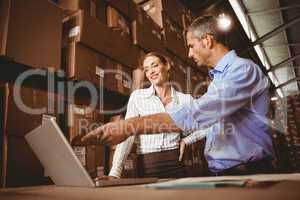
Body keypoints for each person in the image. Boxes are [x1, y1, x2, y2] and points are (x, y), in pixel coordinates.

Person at [82, 15, 274, 175]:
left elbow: (199, 114)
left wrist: (130, 126)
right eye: (146, 69)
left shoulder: (242, 70)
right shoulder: (218, 79)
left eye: (191, 45)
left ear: (207, 41)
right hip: (224, 170)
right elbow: (212, 122)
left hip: (246, 171)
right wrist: (115, 172)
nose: (189, 54)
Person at [107, 52, 206, 179]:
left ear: (167, 65)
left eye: (154, 66)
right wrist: (115, 172)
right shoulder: (138, 97)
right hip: (147, 166)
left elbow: (206, 124)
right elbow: (127, 134)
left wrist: (187, 140)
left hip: (176, 164)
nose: (151, 72)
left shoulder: (185, 100)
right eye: (146, 69)